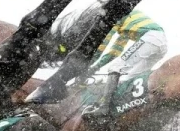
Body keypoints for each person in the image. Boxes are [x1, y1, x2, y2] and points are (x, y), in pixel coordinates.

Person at [35, 7, 167, 122]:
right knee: (130, 78)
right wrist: (94, 68)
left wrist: (90, 68)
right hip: (161, 43)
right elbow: (114, 53)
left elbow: (99, 50)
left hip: (151, 38)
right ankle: (136, 106)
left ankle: (104, 107)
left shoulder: (114, 18)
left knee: (115, 67)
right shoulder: (125, 24)